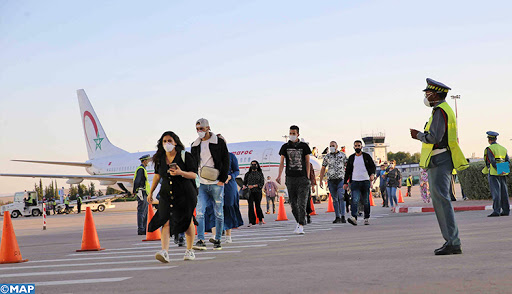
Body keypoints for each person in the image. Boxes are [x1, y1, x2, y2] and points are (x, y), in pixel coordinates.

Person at [410, 78, 468, 255]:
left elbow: (434, 137)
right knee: (442, 201)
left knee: (442, 202)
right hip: (440, 159)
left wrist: (419, 135)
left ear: (435, 94)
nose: (426, 96)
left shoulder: (439, 110)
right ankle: (451, 240)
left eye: (428, 93)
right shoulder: (443, 110)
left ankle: (453, 242)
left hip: (440, 159)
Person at [148, 131, 199, 262]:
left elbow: (194, 175)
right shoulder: (160, 158)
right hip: (167, 194)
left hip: (185, 194)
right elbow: (157, 176)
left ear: (175, 142)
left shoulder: (185, 156)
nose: (167, 144)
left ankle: (189, 250)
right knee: (165, 221)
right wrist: (151, 192)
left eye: (169, 141)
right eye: (164, 141)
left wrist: (180, 172)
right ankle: (165, 251)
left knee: (187, 222)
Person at [191, 118, 229, 251]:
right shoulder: (195, 145)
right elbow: (193, 164)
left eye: (201, 128)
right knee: (200, 212)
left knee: (218, 212)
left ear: (208, 128)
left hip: (216, 182)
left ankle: (217, 239)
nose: (199, 131)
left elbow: (226, 160)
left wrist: (222, 179)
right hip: (201, 183)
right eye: (197, 129)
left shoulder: (218, 142)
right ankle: (201, 240)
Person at [205, 134, 243, 243]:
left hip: (229, 185)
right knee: (213, 208)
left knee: (228, 207)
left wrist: (230, 176)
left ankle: (228, 235)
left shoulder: (231, 156)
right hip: (214, 184)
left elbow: (236, 170)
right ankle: (215, 236)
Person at [276, 125, 311, 234]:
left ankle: (301, 225)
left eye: (293, 133)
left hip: (302, 178)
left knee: (301, 203)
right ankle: (299, 221)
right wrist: (279, 175)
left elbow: (307, 162)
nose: (291, 135)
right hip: (290, 178)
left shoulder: (304, 146)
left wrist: (308, 177)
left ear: (298, 134)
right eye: (290, 133)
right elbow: (282, 162)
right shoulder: (284, 147)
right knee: (293, 203)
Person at [343, 140, 376, 226]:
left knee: (366, 201)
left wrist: (372, 174)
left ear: (361, 146)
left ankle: (366, 218)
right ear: (354, 147)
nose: (357, 147)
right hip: (355, 182)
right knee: (355, 200)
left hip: (365, 181)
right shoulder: (351, 158)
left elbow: (373, 166)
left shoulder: (366, 156)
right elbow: (348, 171)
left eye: (359, 145)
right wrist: (345, 183)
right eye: (356, 146)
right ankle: (354, 218)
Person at [482, 131, 510, 217]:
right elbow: (507, 161)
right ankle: (506, 210)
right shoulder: (503, 148)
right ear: (495, 139)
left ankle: (496, 211)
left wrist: (496, 169)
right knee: (504, 192)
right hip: (503, 171)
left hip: (494, 173)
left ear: (489, 140)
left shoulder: (489, 149)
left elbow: (490, 161)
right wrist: (502, 170)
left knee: (496, 192)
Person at [319, 141, 348, 223]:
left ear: (337, 146)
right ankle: (337, 216)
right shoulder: (327, 157)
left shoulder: (342, 155)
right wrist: (321, 180)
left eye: (333, 145)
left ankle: (343, 216)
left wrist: (349, 179)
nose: (332, 147)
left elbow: (348, 166)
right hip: (331, 180)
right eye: (330, 146)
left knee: (341, 197)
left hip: (340, 179)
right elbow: (323, 168)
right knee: (335, 199)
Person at [243, 160, 265, 226]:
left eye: (255, 164)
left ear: (257, 165)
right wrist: (245, 186)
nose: (253, 166)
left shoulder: (260, 174)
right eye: (252, 164)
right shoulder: (247, 174)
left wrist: (254, 186)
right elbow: (244, 183)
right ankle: (251, 221)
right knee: (250, 206)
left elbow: (261, 183)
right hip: (250, 192)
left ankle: (260, 219)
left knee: (258, 206)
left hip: (257, 191)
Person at [133, 154, 151, 235]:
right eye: (147, 160)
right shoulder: (141, 169)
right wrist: (134, 191)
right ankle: (141, 229)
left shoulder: (143, 169)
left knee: (145, 212)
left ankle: (143, 228)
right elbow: (137, 181)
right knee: (141, 211)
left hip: (144, 192)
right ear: (144, 161)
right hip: (142, 192)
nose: (148, 162)